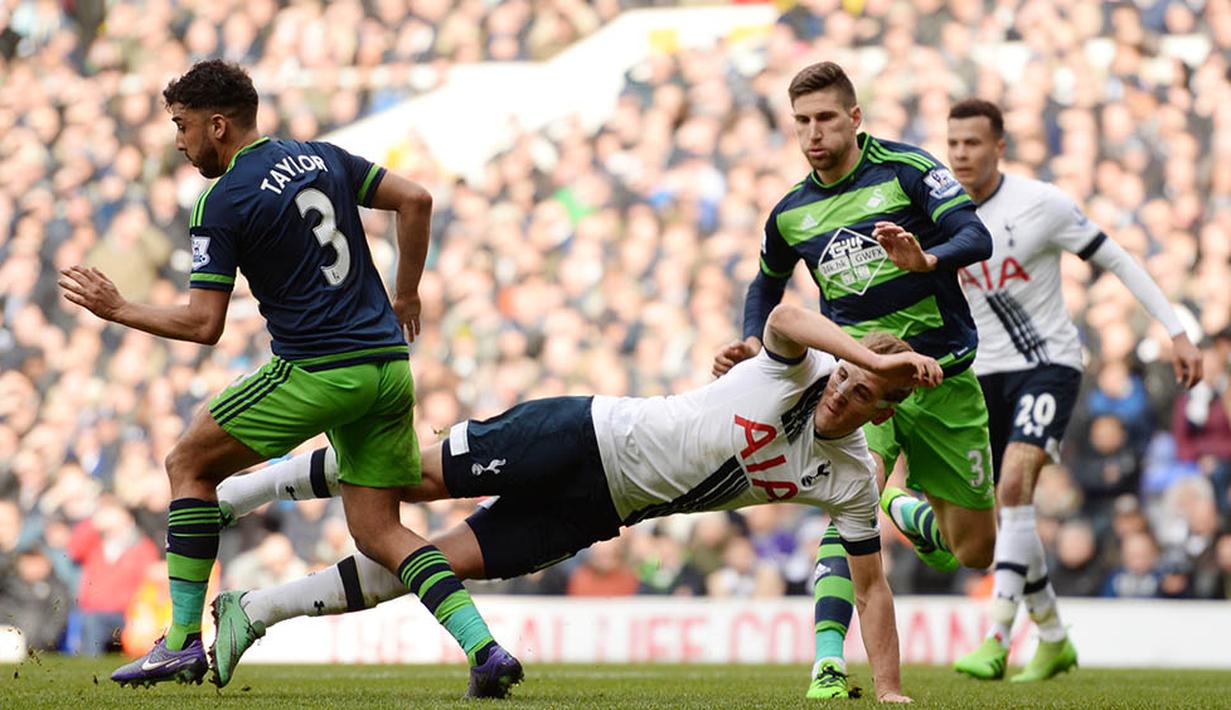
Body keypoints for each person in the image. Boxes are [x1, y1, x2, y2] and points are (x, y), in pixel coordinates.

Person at [58, 59, 520, 698]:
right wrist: (406, 294)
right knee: (380, 531)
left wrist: (119, 309)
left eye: (183, 126)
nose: (178, 141)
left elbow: (203, 325)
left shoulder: (223, 199)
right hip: (388, 367)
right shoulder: (321, 156)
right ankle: (485, 649)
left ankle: (183, 641)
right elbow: (416, 199)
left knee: (188, 463)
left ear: (217, 125)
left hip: (320, 368)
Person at [210, 304, 937, 702]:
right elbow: (784, 312)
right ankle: (242, 491)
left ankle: (256, 611)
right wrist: (870, 356)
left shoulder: (848, 478)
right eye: (848, 374)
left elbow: (870, 591)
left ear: (881, 414)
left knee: (433, 565)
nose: (845, 390)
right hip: (583, 432)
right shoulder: (799, 367)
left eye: (864, 391)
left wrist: (889, 691)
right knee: (411, 477)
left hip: (602, 510)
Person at [710, 62, 994, 694]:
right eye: (802, 122)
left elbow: (975, 235)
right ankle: (828, 664)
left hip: (943, 376)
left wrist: (928, 258)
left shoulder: (909, 170)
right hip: (860, 385)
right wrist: (756, 345)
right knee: (847, 509)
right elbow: (766, 285)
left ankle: (901, 505)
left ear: (855, 118)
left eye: (825, 119)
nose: (813, 133)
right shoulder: (790, 214)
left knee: (974, 551)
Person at [944, 98, 1202, 682]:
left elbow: (1120, 260)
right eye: (953, 143)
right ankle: (1055, 637)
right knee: (1011, 511)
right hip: (979, 378)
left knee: (1015, 484)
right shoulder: (939, 214)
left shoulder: (1041, 204)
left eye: (973, 143)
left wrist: (1177, 331)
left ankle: (997, 637)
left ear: (999, 146)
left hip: (1048, 365)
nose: (961, 153)